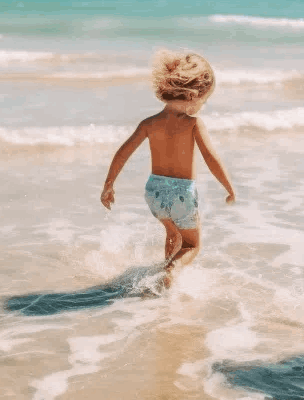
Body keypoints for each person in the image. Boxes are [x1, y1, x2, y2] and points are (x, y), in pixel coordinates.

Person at [101, 51, 236, 285]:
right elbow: (210, 157)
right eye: (204, 100)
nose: (203, 105)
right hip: (181, 193)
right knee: (192, 244)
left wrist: (109, 185)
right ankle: (171, 272)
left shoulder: (149, 123)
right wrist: (229, 187)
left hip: (154, 191)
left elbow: (123, 152)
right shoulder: (193, 123)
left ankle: (164, 276)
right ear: (194, 95)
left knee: (173, 233)